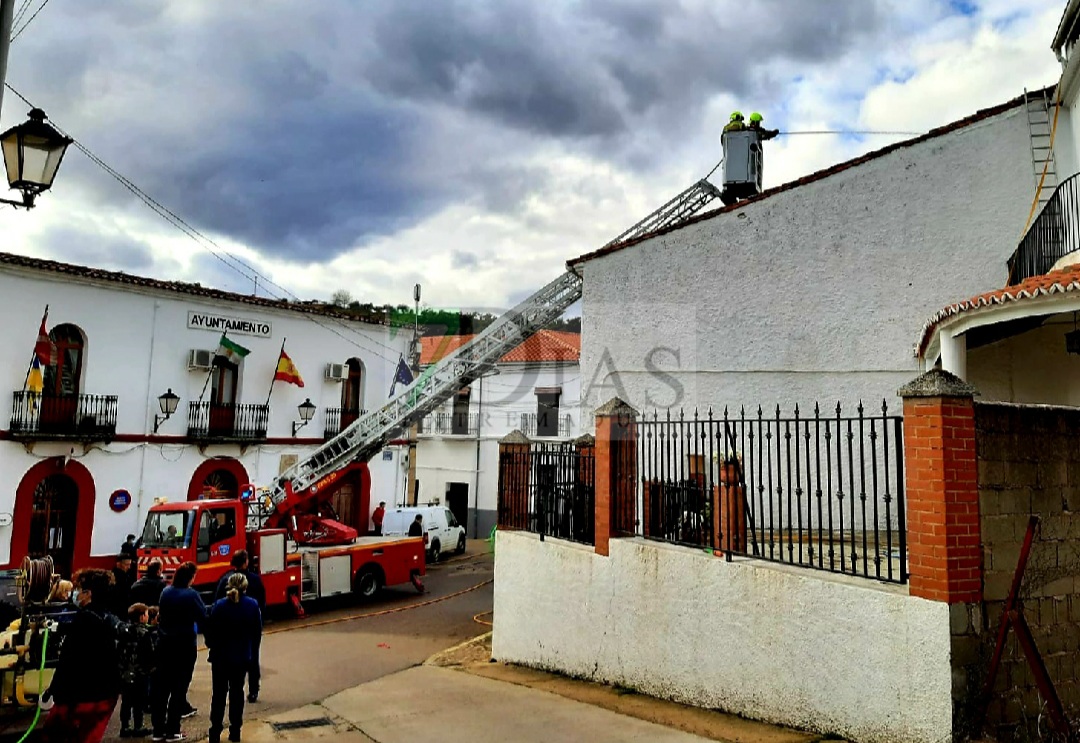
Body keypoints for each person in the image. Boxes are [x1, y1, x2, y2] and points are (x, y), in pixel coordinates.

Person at [39, 568, 120, 743]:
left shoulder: (83, 620)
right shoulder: (111, 618)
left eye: (78, 589)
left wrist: (52, 691)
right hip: (106, 695)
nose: (74, 593)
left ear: (87, 594)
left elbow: (68, 661)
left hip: (79, 698)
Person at [152, 561, 206, 741]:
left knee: (161, 688)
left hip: (164, 644)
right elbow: (203, 617)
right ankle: (172, 730)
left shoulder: (166, 592)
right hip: (183, 647)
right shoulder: (191, 595)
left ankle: (157, 730)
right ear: (190, 577)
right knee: (178, 689)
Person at [205, 573, 262, 743]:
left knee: (219, 695)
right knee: (237, 694)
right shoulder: (252, 605)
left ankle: (215, 731)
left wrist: (212, 646)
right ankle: (235, 731)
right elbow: (256, 633)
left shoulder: (219, 605)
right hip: (241, 657)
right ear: (245, 587)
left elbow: (210, 630)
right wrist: (251, 652)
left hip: (220, 658)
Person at [213, 551, 266, 703]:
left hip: (228, 630)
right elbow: (262, 605)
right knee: (253, 659)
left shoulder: (225, 580)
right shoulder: (255, 580)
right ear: (246, 562)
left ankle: (230, 690)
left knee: (229, 659)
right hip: (250, 629)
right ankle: (253, 691)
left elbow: (216, 605)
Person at [117, 602, 155, 739]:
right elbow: (149, 654)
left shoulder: (124, 631)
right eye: (146, 614)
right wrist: (150, 668)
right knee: (139, 702)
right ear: (141, 617)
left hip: (125, 672)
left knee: (126, 701)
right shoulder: (145, 634)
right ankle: (138, 726)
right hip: (140, 673)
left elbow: (119, 651)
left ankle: (125, 726)